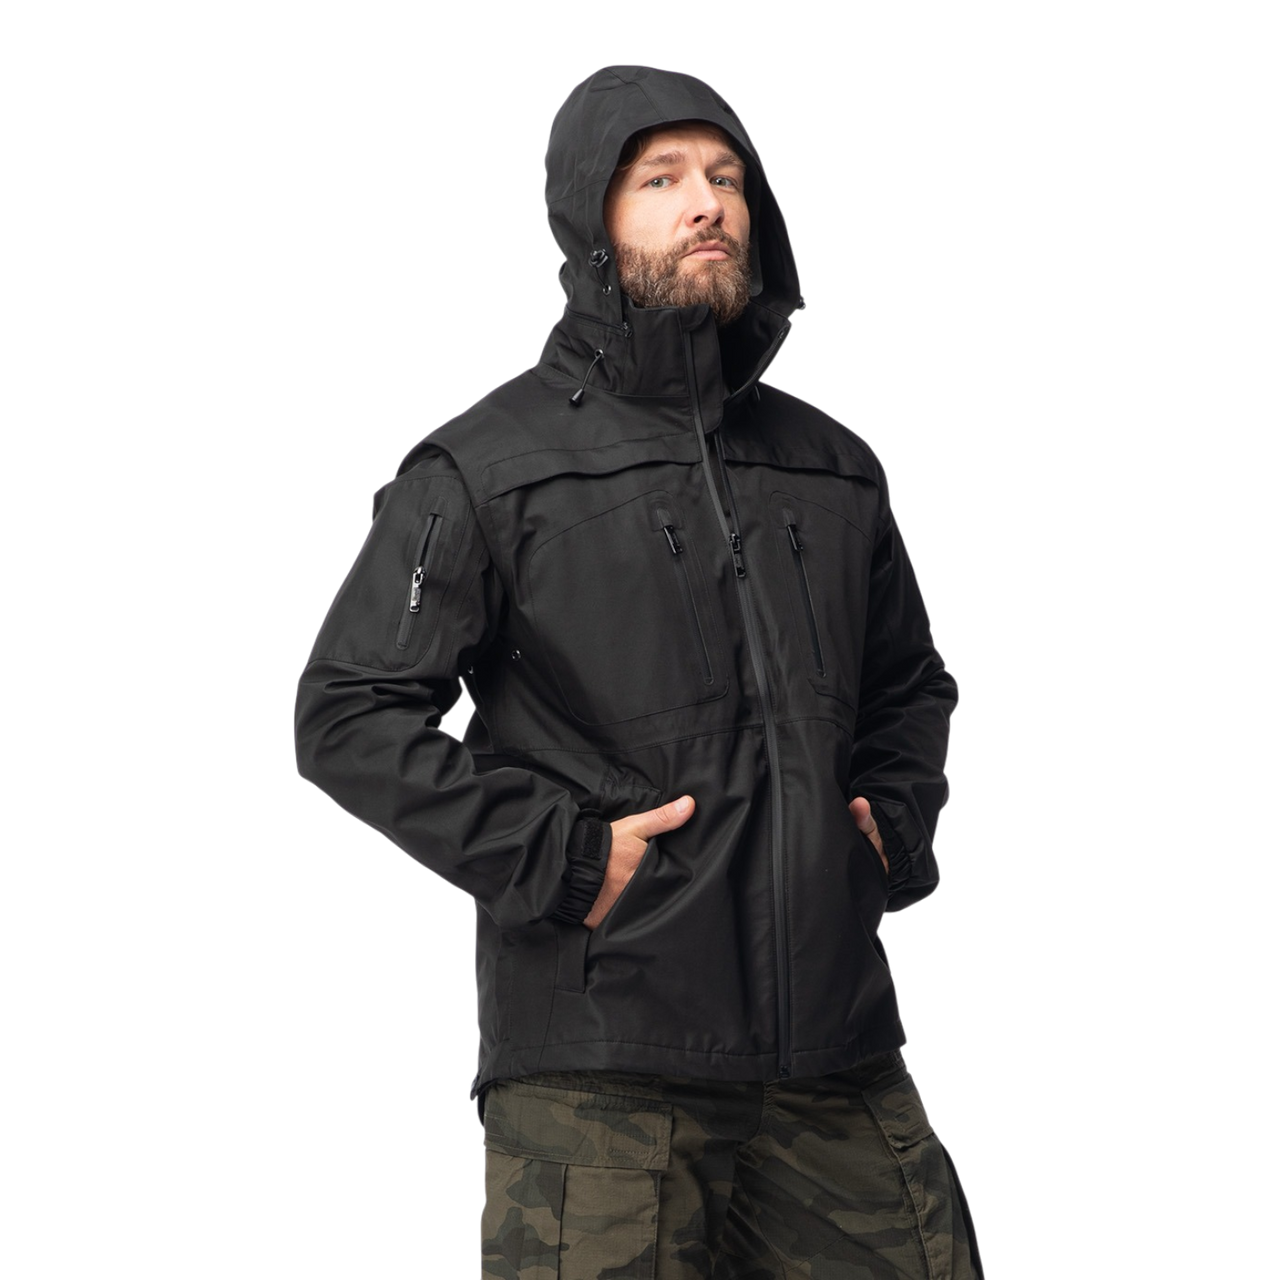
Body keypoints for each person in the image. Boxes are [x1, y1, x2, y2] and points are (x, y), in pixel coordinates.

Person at [295, 64, 978, 1278]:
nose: (706, 202)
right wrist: (559, 856)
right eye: (658, 179)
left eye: (725, 178)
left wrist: (891, 819)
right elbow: (348, 711)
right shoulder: (487, 467)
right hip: (600, 1071)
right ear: (588, 220)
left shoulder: (829, 465)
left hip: (836, 1054)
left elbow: (908, 682)